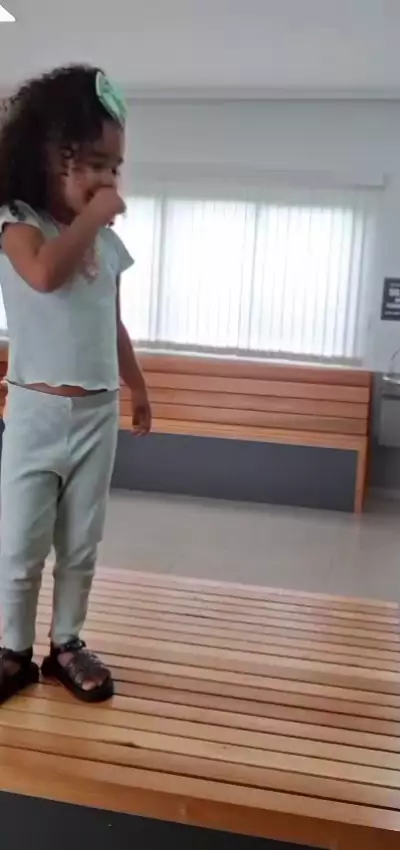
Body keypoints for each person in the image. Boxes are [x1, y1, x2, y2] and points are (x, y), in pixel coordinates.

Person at [0, 64, 151, 705]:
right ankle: (12, 650)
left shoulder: (108, 248)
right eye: (93, 164)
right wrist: (94, 219)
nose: (108, 181)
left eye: (115, 167)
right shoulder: (19, 224)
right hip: (35, 412)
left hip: (97, 414)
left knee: (81, 541)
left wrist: (137, 385)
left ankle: (66, 644)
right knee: (19, 542)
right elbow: (43, 276)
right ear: (47, 158)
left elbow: (110, 323)